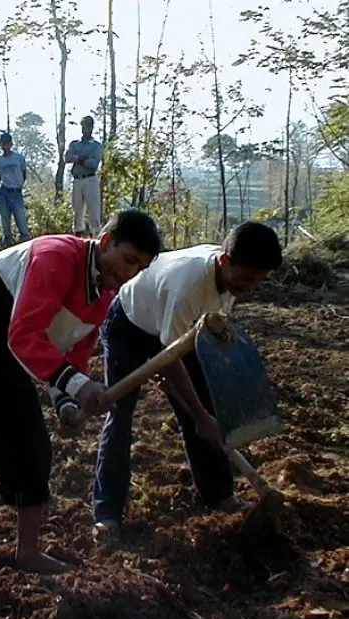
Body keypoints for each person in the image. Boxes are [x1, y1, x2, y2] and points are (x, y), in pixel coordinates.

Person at [0, 210, 162, 619]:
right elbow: (25, 334)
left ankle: (28, 552)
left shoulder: (102, 299)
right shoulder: (55, 256)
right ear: (105, 241)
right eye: (126, 260)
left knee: (31, 449)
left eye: (138, 269)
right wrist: (79, 386)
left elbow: (71, 354)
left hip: (10, 353)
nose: (126, 275)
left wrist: (65, 401)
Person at [92, 221, 284, 547]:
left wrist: (203, 412)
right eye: (248, 279)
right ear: (225, 261)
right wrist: (199, 415)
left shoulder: (228, 280)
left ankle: (219, 495)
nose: (250, 288)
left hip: (180, 331)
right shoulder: (189, 287)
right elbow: (169, 363)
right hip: (130, 324)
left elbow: (199, 343)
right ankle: (107, 514)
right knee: (121, 416)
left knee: (204, 410)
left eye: (258, 282)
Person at [65, 116, 104, 236]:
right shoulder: (75, 144)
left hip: (90, 180)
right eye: (82, 127)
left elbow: (93, 164)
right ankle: (78, 239)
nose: (84, 130)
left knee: (93, 212)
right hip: (77, 180)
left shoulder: (96, 146)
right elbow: (67, 158)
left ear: (91, 128)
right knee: (77, 213)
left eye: (86, 127)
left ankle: (97, 238)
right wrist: (83, 159)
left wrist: (78, 158)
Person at [0, 132, 30, 247]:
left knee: (21, 220)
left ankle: (25, 242)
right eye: (3, 144)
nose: (5, 146)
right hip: (4, 192)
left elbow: (24, 173)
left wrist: (18, 185)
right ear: (1, 145)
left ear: (11, 144)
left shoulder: (19, 158)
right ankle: (7, 243)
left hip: (16, 192)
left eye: (7, 143)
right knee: (5, 220)